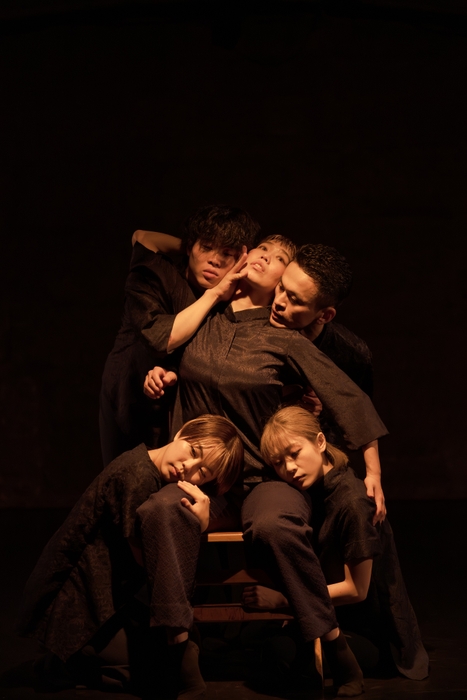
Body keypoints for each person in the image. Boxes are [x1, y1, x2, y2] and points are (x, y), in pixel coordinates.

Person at [139, 236, 389, 696]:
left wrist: (373, 471)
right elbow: (151, 278)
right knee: (161, 511)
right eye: (261, 251)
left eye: (277, 260)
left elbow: (348, 398)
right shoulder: (204, 318)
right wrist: (162, 374)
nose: (263, 260)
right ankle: (181, 647)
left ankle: (332, 643)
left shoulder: (286, 339)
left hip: (261, 479)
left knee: (276, 523)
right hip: (202, 477)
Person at [17, 415, 244, 699]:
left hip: (108, 600)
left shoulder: (149, 466)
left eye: (203, 472)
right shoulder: (137, 476)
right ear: (181, 432)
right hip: (76, 605)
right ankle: (66, 663)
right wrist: (196, 525)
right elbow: (149, 563)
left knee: (175, 651)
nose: (188, 467)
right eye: (193, 451)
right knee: (158, 671)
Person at [246, 405, 429, 683]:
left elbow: (356, 590)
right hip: (327, 616)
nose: (289, 468)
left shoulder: (352, 502)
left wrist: (285, 600)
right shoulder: (310, 492)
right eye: (279, 463)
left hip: (366, 631)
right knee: (258, 649)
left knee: (279, 654)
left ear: (320, 442)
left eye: (294, 453)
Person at [99, 204, 259, 465]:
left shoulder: (236, 298)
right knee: (128, 473)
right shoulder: (155, 274)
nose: (215, 260)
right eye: (206, 247)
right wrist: (212, 290)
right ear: (190, 246)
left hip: (188, 408)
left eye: (227, 253)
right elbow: (161, 338)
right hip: (131, 393)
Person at [269, 243, 384, 519]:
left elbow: (355, 418)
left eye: (295, 300)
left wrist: (321, 415)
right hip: (266, 460)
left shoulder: (351, 354)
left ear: (325, 315)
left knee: (361, 508)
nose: (279, 301)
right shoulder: (257, 325)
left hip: (319, 466)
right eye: (281, 287)